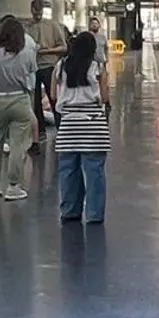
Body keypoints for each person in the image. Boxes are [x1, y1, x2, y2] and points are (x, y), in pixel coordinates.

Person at [52, 31, 110, 223]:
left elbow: (53, 95)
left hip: (69, 124)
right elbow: (104, 97)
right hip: (93, 125)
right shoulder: (98, 67)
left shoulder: (60, 66)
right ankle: (94, 214)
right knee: (94, 173)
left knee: (68, 171)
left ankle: (70, 211)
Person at [0, 15, 37, 200]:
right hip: (20, 99)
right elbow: (31, 79)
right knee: (18, 145)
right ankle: (14, 186)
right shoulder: (27, 53)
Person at [28, 0, 68, 141]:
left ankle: (61, 129)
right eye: (35, 13)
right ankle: (40, 132)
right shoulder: (28, 27)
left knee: (54, 99)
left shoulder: (53, 26)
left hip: (49, 67)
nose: (37, 16)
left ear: (43, 11)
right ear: (31, 11)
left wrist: (46, 51)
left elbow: (63, 47)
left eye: (39, 13)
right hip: (33, 68)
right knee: (35, 101)